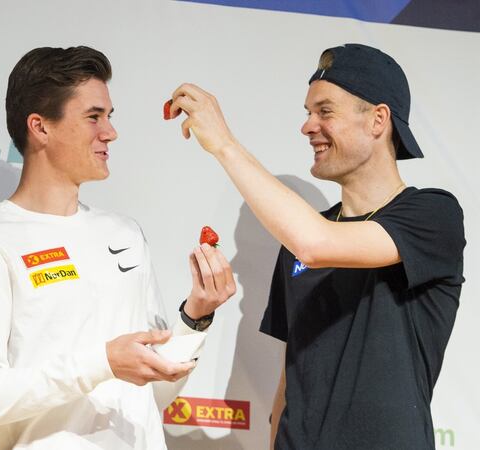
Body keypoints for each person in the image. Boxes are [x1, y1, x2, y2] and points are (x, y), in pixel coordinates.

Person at [166, 44, 465, 449]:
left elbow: (316, 244)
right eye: (307, 113)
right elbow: (291, 381)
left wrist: (224, 144)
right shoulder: (302, 238)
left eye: (324, 112)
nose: (307, 127)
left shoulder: (432, 213)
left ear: (378, 119)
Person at [0, 46, 236, 449]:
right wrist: (102, 362)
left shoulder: (125, 234)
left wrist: (196, 317)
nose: (110, 132)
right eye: (93, 117)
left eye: (109, 117)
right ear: (40, 127)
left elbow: (155, 390)